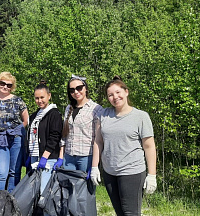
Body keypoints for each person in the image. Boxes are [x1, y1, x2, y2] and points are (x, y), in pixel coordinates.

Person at [91, 76, 157, 216]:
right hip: (110, 172)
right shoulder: (104, 115)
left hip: (132, 172)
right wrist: (94, 167)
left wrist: (152, 175)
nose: (115, 97)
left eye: (118, 92)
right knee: (119, 212)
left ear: (126, 92)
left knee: (130, 213)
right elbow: (98, 141)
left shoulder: (140, 116)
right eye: (110, 95)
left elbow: (149, 147)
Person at [0, 71, 28, 192]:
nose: (5, 87)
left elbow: (25, 120)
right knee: (1, 173)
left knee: (14, 172)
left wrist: (17, 131)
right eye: (3, 83)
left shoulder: (18, 100)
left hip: (16, 139)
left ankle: (11, 200)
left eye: (9, 85)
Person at [59, 75, 103, 173]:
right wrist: (61, 157)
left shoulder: (96, 109)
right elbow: (65, 135)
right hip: (68, 157)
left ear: (85, 88)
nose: (76, 92)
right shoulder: (68, 108)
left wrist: (95, 165)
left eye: (79, 88)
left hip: (86, 158)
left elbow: (98, 139)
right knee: (68, 188)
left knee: (85, 188)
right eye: (72, 90)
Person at [26, 80, 63, 193]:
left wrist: (45, 157)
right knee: (34, 190)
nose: (39, 101)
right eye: (37, 98)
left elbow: (55, 137)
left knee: (44, 191)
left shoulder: (54, 114)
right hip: (34, 156)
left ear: (49, 96)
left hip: (47, 158)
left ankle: (46, 211)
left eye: (42, 97)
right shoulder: (34, 115)